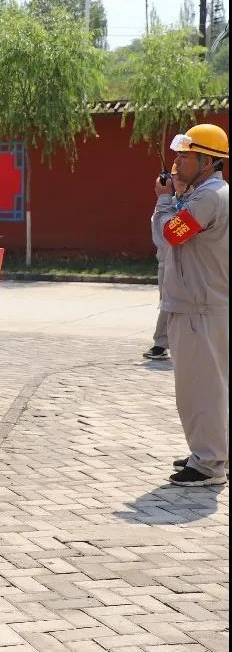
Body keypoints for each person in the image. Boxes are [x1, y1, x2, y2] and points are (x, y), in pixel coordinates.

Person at [153, 123, 229, 487]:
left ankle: (209, 462)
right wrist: (175, 197)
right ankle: (210, 450)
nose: (177, 162)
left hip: (199, 306)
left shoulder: (209, 197)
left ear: (209, 160)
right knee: (208, 386)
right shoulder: (202, 194)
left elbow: (172, 233)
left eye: (185, 156)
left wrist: (165, 200)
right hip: (200, 304)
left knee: (200, 388)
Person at [143, 164, 188, 361]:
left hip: (191, 263)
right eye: (175, 177)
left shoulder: (197, 201)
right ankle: (161, 343)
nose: (179, 181)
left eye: (182, 177)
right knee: (167, 304)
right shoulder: (166, 203)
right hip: (167, 263)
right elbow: (163, 236)